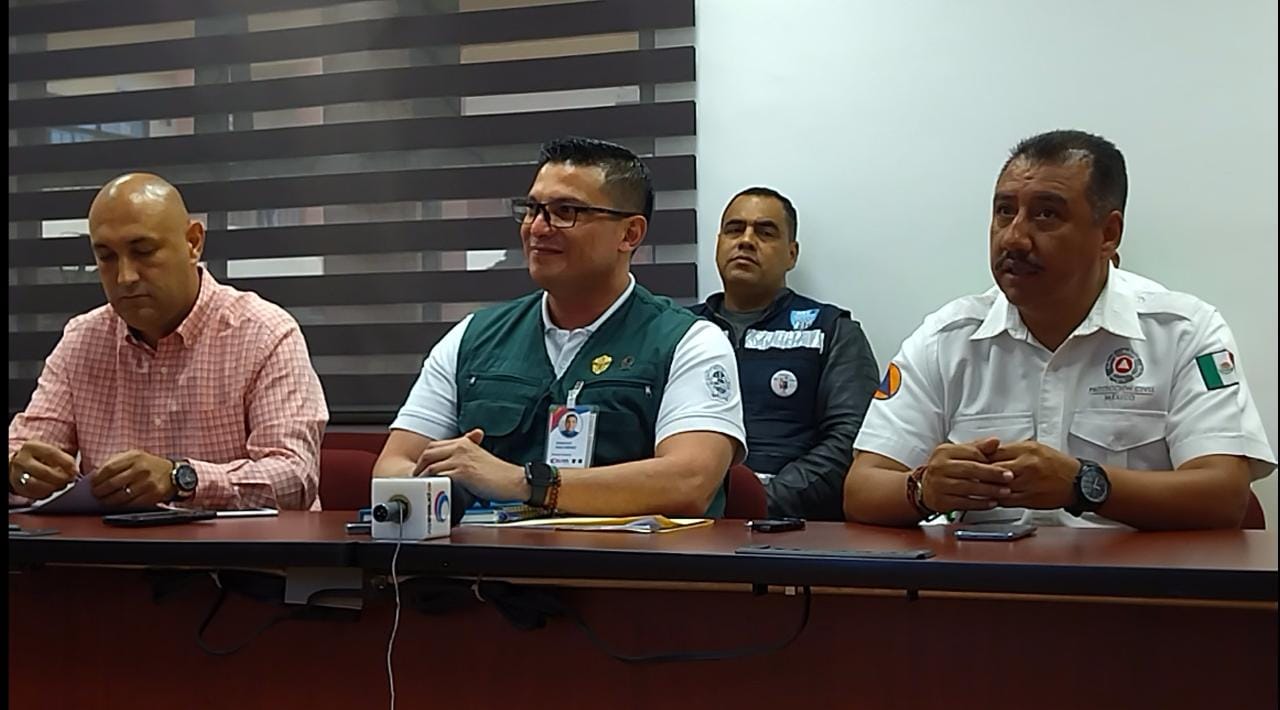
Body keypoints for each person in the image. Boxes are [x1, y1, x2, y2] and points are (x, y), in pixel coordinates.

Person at [844, 130, 1275, 529]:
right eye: (1004, 211)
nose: (1014, 238)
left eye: (1046, 214)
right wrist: (923, 489)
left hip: (1132, 580)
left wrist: (1083, 484)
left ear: (1108, 234)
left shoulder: (1183, 333)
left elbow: (1224, 496)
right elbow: (861, 489)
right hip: (984, 579)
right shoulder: (946, 340)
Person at [373, 137, 745, 517]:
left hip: (624, 557)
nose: (537, 227)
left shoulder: (689, 342)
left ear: (630, 234)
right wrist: (449, 483)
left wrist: (524, 483)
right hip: (484, 553)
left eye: (565, 211)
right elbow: (392, 466)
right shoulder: (473, 336)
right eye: (532, 209)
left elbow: (689, 482)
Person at [8, 173, 328, 511]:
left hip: (234, 544)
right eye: (107, 257)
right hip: (112, 543)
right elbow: (24, 450)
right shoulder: (82, 340)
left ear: (193, 243)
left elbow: (295, 478)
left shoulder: (264, 334)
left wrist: (182, 479)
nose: (125, 277)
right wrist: (16, 472)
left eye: (143, 252)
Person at [690, 187, 879, 520]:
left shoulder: (832, 330)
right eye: (734, 229)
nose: (746, 241)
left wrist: (760, 504)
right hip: (687, 520)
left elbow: (851, 439)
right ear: (718, 243)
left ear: (792, 254)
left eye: (765, 232)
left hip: (794, 528)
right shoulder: (681, 330)